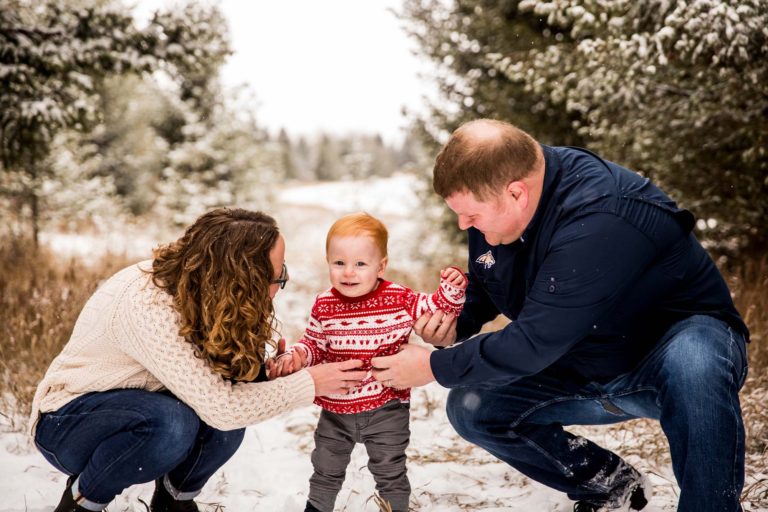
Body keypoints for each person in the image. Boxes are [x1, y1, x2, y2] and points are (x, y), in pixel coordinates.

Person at [371, 119, 750, 512]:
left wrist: (433, 365)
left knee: (695, 362)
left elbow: (535, 341)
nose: (464, 225)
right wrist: (455, 326)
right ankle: (610, 484)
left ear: (516, 193)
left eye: (470, 215)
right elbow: (492, 280)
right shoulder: (499, 196)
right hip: (583, 360)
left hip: (665, 362)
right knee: (473, 405)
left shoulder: (600, 215)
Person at [29, 208, 367, 512]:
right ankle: (81, 501)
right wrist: (310, 384)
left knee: (220, 421)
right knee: (174, 422)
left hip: (136, 408)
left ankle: (175, 502)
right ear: (241, 277)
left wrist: (268, 373)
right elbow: (222, 406)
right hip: (67, 424)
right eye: (277, 275)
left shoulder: (205, 292)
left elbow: (218, 385)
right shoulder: (148, 305)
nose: (284, 281)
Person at [272, 212, 467, 512]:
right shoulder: (325, 304)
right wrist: (296, 356)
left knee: (390, 472)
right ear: (328, 261)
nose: (348, 272)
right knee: (325, 468)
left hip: (386, 408)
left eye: (360, 264)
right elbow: (313, 344)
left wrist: (451, 289)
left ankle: (394, 508)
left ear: (381, 265)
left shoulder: (399, 298)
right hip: (335, 411)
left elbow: (437, 309)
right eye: (339, 263)